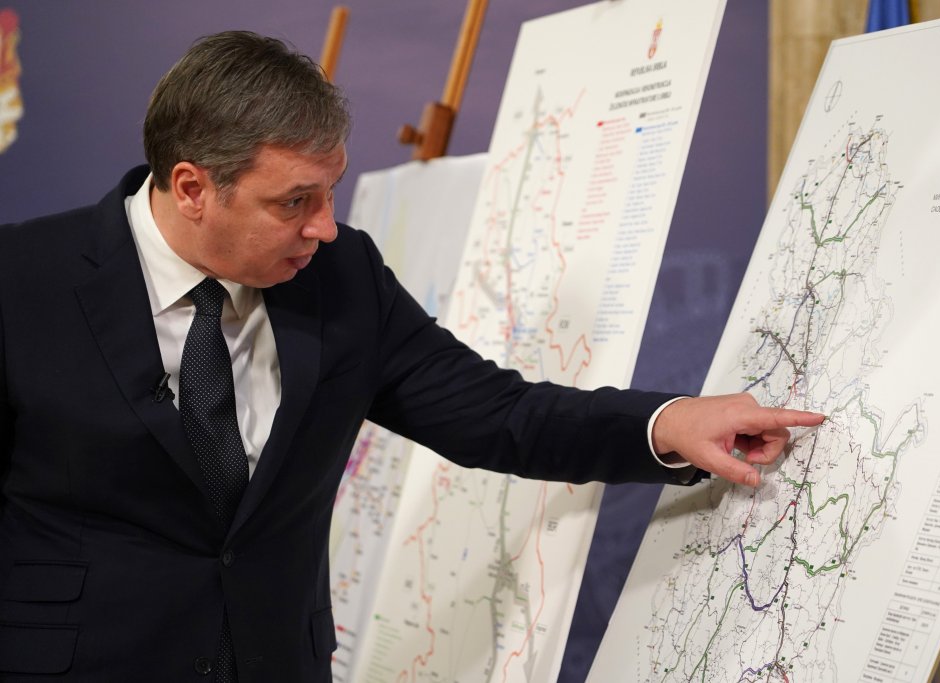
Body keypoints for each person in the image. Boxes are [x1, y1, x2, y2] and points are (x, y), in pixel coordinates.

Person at [0, 31, 823, 682]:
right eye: (295, 202)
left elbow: (498, 413)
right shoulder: (20, 283)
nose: (325, 226)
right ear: (191, 188)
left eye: (331, 192)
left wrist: (668, 424)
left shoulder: (342, 277)